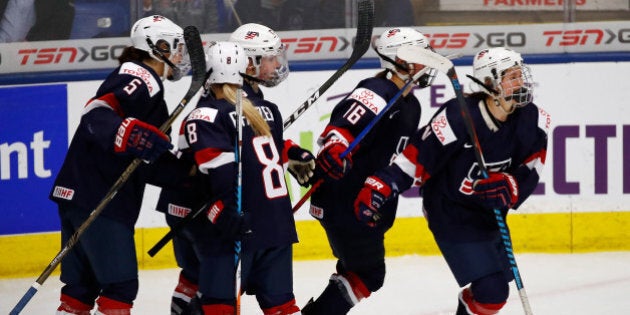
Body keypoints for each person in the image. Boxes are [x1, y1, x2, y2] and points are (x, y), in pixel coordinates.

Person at [353, 47, 550, 314]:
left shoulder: (532, 119)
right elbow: (416, 157)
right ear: (491, 82)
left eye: (520, 75)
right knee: (492, 291)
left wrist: (511, 185)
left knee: (495, 291)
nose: (521, 83)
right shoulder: (458, 117)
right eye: (512, 77)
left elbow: (532, 166)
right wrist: (381, 186)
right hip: (450, 211)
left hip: (489, 214)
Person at [155, 22, 312, 315]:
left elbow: (228, 165)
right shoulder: (259, 108)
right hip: (218, 213)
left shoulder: (214, 109)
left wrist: (288, 152)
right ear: (246, 64)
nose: (277, 64)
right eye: (270, 57)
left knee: (205, 289)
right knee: (272, 301)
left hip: (228, 213)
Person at [49, 15, 195, 314]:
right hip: (100, 197)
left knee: (81, 287)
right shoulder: (140, 78)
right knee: (120, 286)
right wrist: (130, 133)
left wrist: (189, 174)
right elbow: (96, 113)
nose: (181, 55)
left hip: (78, 192)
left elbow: (147, 161)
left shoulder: (146, 84)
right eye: (177, 47)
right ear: (159, 47)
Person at [301, 27, 437, 314]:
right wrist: (335, 149)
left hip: (363, 204)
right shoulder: (377, 90)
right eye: (420, 53)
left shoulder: (410, 104)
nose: (429, 59)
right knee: (367, 273)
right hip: (345, 200)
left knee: (360, 272)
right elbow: (339, 131)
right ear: (400, 60)